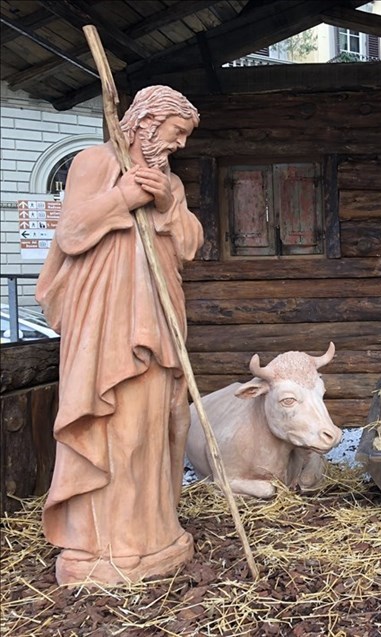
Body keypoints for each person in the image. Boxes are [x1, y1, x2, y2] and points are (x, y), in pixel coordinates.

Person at [36, 85, 203, 586]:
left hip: (157, 318)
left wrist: (169, 204)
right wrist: (125, 196)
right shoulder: (94, 161)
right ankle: (101, 544)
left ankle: (153, 531)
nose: (177, 146)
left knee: (154, 429)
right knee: (116, 429)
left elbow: (189, 245)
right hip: (107, 322)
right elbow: (71, 233)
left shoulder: (169, 180)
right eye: (175, 134)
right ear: (148, 122)